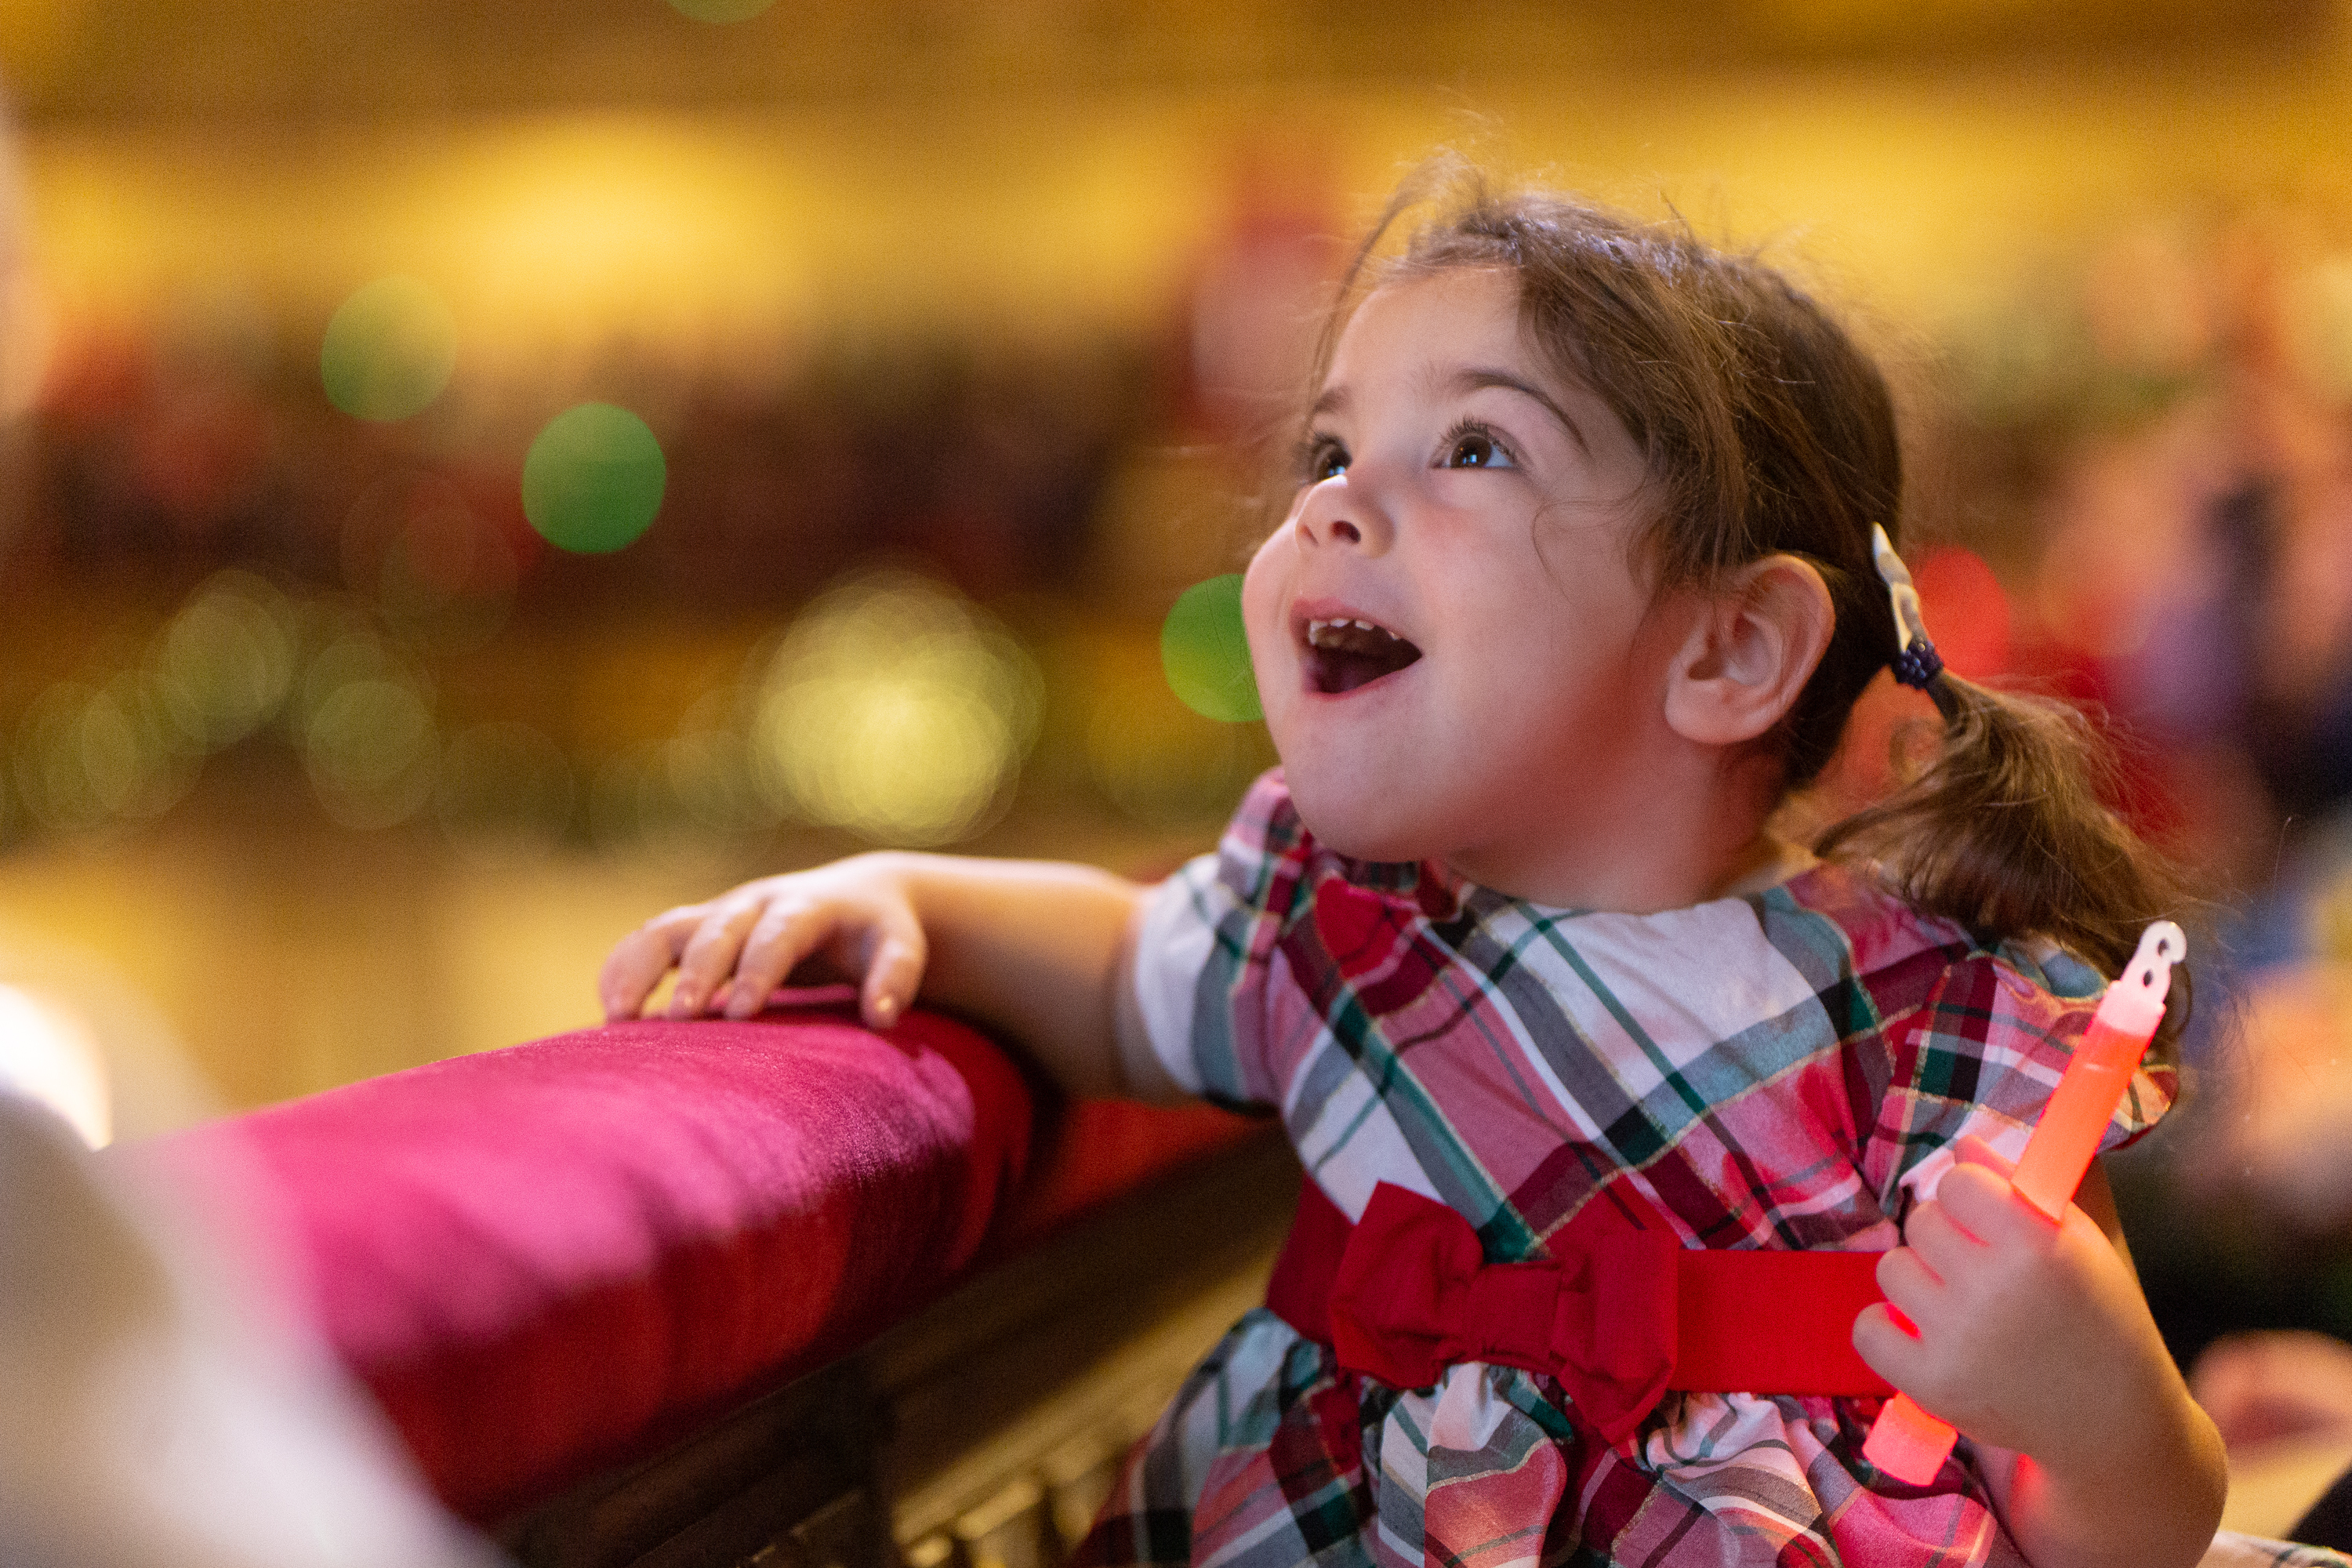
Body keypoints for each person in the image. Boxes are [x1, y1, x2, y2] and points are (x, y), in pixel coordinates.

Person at [599, 176, 2315, 1568]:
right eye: (1330, 453)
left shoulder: (1946, 1024)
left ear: (1730, 648)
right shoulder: (1334, 929)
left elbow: (2129, 1533)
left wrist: (2094, 1405)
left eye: (1473, 449)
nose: (1335, 509)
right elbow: (1123, 972)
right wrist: (914, 899)